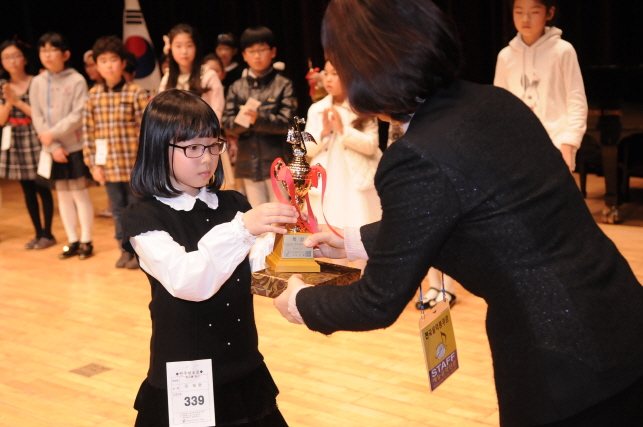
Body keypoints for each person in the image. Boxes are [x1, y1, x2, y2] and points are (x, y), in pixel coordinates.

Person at [274, 1, 643, 426]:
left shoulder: (416, 154)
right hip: (622, 317)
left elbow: (376, 302)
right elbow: (465, 213)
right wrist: (351, 240)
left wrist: (299, 300)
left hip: (562, 363)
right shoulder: (493, 102)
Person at [120, 89, 295, 427]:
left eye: (214, 145)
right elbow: (188, 280)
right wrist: (243, 229)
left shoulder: (232, 204)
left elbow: (258, 269)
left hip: (242, 364)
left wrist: (295, 244)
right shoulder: (144, 218)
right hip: (187, 377)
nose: (207, 158)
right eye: (193, 148)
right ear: (158, 148)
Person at [304, 60, 381, 270]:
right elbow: (306, 148)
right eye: (326, 73)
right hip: (328, 182)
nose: (328, 79)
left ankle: (362, 279)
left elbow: (371, 145)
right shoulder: (317, 108)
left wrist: (343, 129)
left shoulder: (362, 106)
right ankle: (335, 281)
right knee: (328, 229)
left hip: (355, 182)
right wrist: (323, 132)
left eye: (335, 74)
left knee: (359, 226)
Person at [494, 0, 587, 172]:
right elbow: (500, 106)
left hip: (556, 142)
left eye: (534, 12)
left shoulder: (562, 50)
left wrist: (569, 144)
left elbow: (576, 100)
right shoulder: (505, 56)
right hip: (517, 146)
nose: (525, 19)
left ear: (549, 13)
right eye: (519, 12)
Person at [82, 36, 148, 268]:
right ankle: (124, 249)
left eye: (113, 60)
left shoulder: (135, 93)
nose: (109, 65)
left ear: (122, 63)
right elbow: (88, 132)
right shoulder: (92, 96)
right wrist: (93, 165)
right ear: (96, 66)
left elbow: (145, 131)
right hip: (108, 167)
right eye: (103, 61)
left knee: (136, 209)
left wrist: (145, 164)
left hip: (133, 166)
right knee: (118, 210)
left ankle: (140, 253)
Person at [30, 32, 94, 260]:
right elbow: (36, 114)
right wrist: (52, 144)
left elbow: (78, 114)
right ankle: (72, 240)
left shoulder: (76, 80)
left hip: (73, 146)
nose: (47, 55)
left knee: (79, 194)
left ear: (65, 54)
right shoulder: (37, 82)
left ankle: (86, 240)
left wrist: (52, 134)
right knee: (63, 197)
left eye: (52, 50)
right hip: (52, 148)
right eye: (43, 51)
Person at [222, 26, 296, 208]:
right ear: (244, 55)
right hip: (248, 163)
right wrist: (245, 121)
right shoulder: (236, 87)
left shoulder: (283, 84)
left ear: (273, 52)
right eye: (251, 51)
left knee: (282, 213)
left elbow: (288, 122)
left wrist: (259, 119)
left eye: (262, 50)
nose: (257, 56)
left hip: (278, 162)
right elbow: (227, 123)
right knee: (258, 214)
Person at [160, 24, 236, 191]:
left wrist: (198, 138)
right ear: (170, 48)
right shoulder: (167, 80)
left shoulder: (208, 75)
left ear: (196, 47)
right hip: (178, 150)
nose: (184, 51)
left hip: (206, 146)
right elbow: (162, 117)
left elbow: (216, 112)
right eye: (178, 46)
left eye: (189, 45)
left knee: (213, 193)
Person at [0, 39, 56, 250]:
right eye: (6, 57)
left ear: (24, 58)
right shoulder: (2, 86)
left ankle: (48, 233)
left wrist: (17, 101)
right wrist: (9, 101)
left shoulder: (36, 82)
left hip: (36, 136)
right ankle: (37, 233)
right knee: (27, 190)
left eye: (16, 56)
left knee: (43, 186)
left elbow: (40, 115)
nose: (12, 61)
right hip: (16, 139)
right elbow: (1, 120)